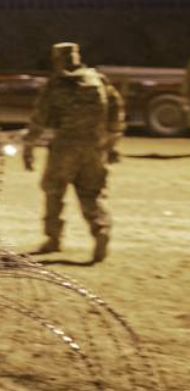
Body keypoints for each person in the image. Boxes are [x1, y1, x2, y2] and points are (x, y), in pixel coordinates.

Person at [21, 42, 124, 264]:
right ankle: (100, 229)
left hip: (64, 147)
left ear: (57, 59)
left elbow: (39, 119)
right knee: (91, 193)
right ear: (77, 57)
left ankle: (53, 239)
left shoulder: (56, 84)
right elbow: (116, 111)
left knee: (54, 192)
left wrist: (29, 146)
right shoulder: (98, 80)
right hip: (94, 147)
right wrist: (112, 143)